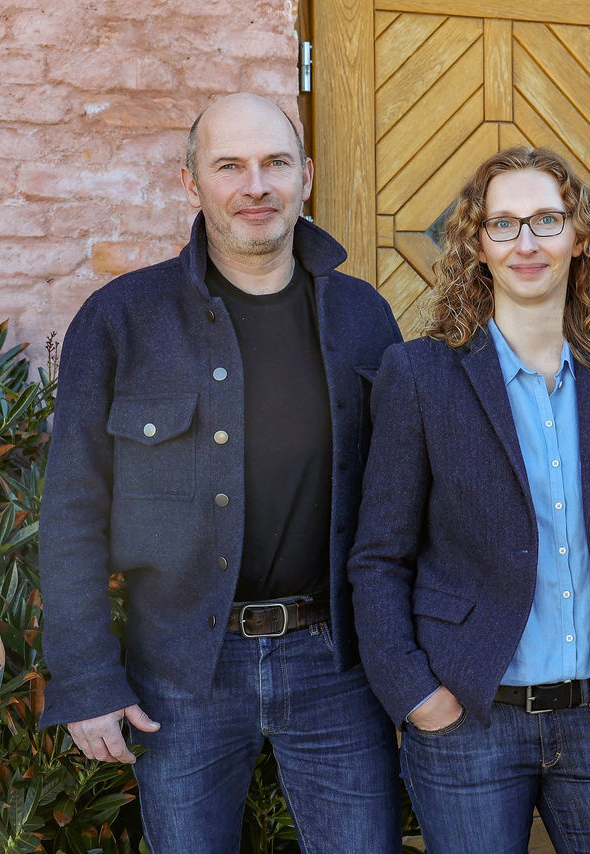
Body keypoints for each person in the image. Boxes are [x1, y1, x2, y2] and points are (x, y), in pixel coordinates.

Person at [37, 93, 404, 852]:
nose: (255, 186)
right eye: (229, 166)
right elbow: (72, 508)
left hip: (335, 663)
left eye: (274, 164)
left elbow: (401, 504)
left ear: (306, 175)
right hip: (178, 671)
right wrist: (86, 680)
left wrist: (409, 662)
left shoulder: (364, 317)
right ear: (190, 184)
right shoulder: (120, 320)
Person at [348, 146, 590, 853]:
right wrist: (415, 695)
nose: (526, 243)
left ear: (580, 236)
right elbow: (379, 556)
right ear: (475, 243)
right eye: (503, 225)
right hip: (469, 719)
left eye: (545, 220)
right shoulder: (420, 373)